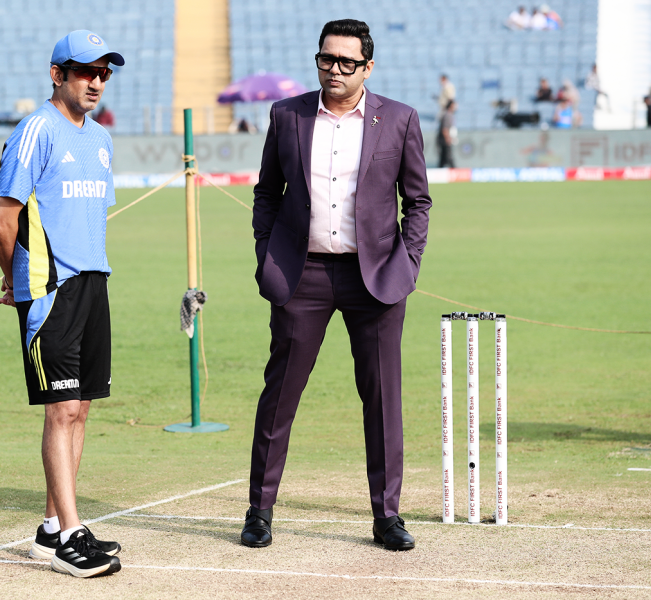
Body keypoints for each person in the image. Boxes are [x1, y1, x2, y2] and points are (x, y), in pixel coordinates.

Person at [243, 18, 431, 552]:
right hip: (301, 276)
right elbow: (267, 193)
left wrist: (408, 262)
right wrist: (267, 255)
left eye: (348, 62)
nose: (335, 70)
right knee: (279, 396)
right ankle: (259, 511)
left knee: (382, 400)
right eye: (327, 59)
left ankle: (387, 516)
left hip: (375, 281)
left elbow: (417, 200)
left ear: (367, 67)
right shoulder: (287, 115)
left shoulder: (398, 119)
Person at [0, 29, 125, 579]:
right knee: (60, 409)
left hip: (94, 281)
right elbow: (2, 218)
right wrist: (15, 277)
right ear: (57, 74)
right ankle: (71, 535)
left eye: (104, 73)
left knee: (82, 405)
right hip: (50, 289)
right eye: (85, 71)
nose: (95, 81)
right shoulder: (35, 130)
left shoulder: (100, 139)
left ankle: (50, 527)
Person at [438, 99, 457, 167]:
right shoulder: (448, 115)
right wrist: (448, 139)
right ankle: (455, 172)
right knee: (448, 157)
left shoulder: (449, 114)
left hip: (445, 139)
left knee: (443, 158)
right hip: (444, 140)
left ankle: (439, 170)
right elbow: (444, 129)